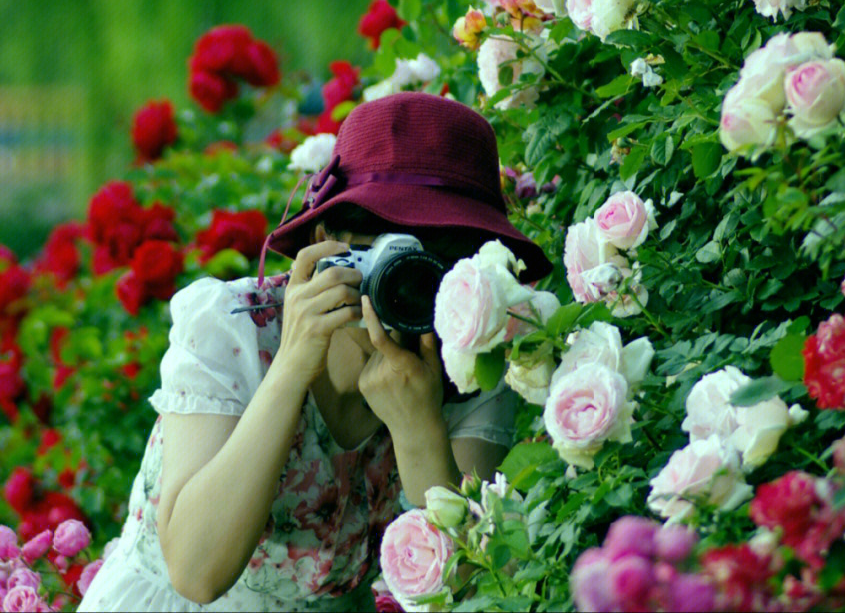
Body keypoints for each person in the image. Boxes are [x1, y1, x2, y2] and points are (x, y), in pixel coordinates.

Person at [79, 90, 551, 612]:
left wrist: (418, 431)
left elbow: (479, 591)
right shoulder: (235, 327)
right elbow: (196, 572)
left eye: (438, 260)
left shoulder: (471, 364)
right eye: (390, 251)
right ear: (326, 240)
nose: (412, 284)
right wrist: (291, 366)